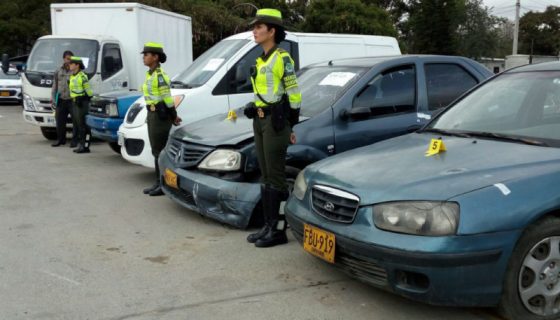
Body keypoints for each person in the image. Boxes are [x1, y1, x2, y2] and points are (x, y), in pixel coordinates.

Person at [244, 9, 301, 248]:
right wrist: (252, 106)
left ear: (272, 31)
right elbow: (266, 93)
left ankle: (278, 230)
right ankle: (267, 225)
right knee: (265, 175)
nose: (254, 31)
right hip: (260, 120)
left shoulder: (282, 59)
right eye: (254, 27)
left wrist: (290, 124)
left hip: (276, 123)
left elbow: (294, 95)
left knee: (276, 178)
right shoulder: (261, 59)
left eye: (259, 27)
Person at [140, 42, 181, 196]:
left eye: (146, 54)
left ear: (155, 57)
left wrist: (174, 116)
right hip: (152, 114)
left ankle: (162, 184)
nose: (144, 57)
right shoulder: (149, 74)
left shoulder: (160, 76)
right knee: (155, 151)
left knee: (160, 151)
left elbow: (168, 99)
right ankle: (158, 182)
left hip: (160, 116)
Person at [51, 50, 78, 147]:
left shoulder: (76, 71)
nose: (69, 61)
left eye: (71, 59)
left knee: (76, 121)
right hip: (61, 99)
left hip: (72, 100)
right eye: (67, 59)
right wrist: (53, 98)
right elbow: (55, 85)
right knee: (60, 121)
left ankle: (74, 141)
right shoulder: (58, 70)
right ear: (64, 59)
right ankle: (61, 140)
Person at [68, 56, 93, 154]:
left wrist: (82, 98)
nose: (69, 65)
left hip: (82, 103)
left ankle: (85, 146)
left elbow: (89, 92)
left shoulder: (82, 76)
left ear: (77, 65)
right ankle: (81, 145)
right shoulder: (73, 76)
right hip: (74, 102)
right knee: (78, 125)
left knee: (83, 126)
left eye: (71, 63)